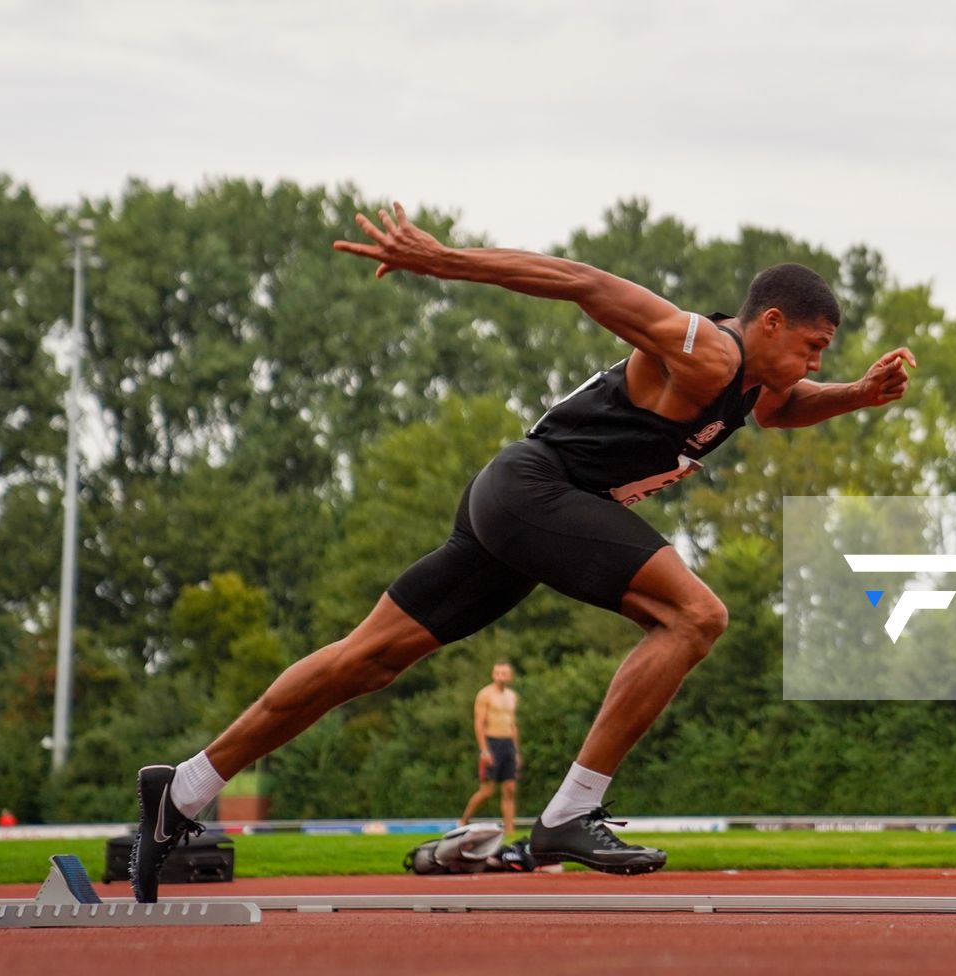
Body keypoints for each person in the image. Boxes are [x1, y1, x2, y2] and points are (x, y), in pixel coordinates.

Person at [127, 206, 916, 901]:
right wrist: (442, 260)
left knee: (367, 660)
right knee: (695, 615)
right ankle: (571, 813)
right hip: (536, 492)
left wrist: (855, 394)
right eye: (813, 348)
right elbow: (579, 279)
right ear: (771, 322)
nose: (816, 365)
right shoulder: (706, 350)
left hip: (519, 505)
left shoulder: (751, 386)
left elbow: (781, 411)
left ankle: (184, 789)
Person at [458, 660, 522, 841]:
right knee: (487, 791)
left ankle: (510, 830)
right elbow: (479, 722)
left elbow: (512, 724)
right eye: (497, 673)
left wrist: (516, 751)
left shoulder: (511, 696)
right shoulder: (485, 695)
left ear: (510, 675)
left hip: (508, 743)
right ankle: (463, 820)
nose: (501, 677)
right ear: (493, 675)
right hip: (492, 743)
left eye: (504, 673)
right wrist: (484, 750)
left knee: (510, 788)